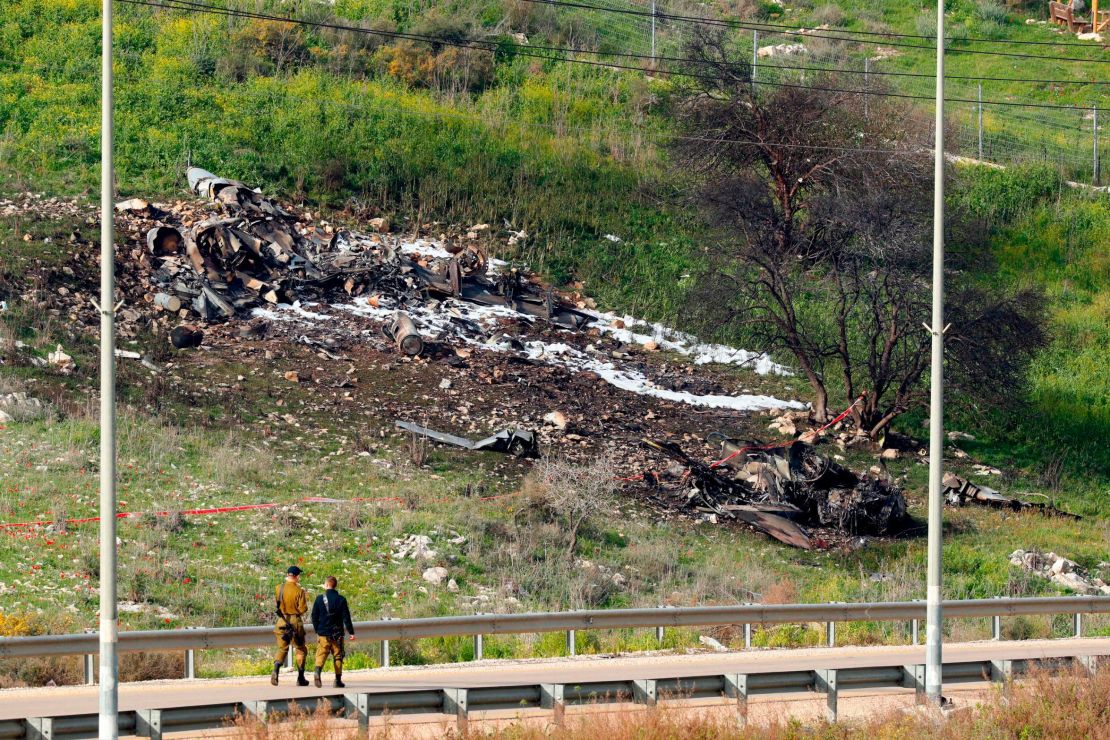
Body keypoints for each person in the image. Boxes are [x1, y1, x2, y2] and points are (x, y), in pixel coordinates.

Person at [310, 575, 355, 688]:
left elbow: (314, 616)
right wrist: (351, 632)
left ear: (326, 585)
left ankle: (317, 672)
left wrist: (318, 629)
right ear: (335, 586)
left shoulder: (319, 599)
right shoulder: (341, 599)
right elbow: (346, 618)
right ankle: (337, 680)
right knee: (338, 656)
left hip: (323, 633)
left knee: (321, 654)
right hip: (337, 634)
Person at [272, 565, 309, 687]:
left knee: (282, 649)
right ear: (297, 576)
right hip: (294, 622)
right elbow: (303, 609)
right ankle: (300, 677)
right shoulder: (299, 591)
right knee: (300, 649)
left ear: (288, 575)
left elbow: (276, 604)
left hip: (281, 621)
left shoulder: (278, 588)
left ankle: (276, 669)